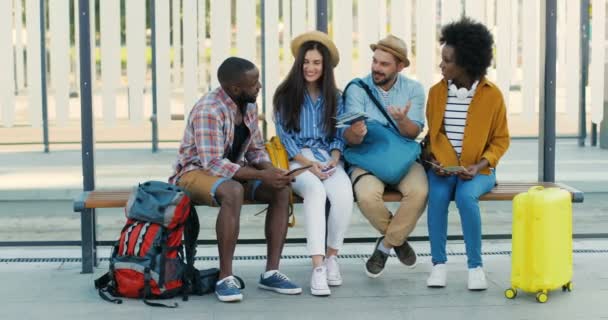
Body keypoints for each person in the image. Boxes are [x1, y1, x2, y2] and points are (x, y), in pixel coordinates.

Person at [169, 57, 302, 302]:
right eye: (254, 84)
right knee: (233, 191)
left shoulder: (249, 105)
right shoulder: (208, 110)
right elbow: (213, 163)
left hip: (232, 171)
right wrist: (261, 175)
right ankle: (225, 277)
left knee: (281, 190)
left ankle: (272, 273)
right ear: (234, 89)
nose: (259, 86)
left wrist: (273, 172)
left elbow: (256, 150)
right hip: (193, 173)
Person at [425, 17, 510, 290]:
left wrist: (479, 165)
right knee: (437, 196)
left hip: (480, 170)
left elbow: (501, 140)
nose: (442, 65)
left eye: (447, 60)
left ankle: (475, 266)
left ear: (466, 63)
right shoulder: (436, 93)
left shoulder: (492, 96)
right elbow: (433, 136)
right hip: (445, 168)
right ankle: (438, 264)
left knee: (465, 197)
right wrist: (435, 160)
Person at [273, 31, 353, 296]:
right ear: (299, 63)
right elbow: (285, 138)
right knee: (315, 192)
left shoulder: (336, 96)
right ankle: (317, 267)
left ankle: (332, 257)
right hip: (298, 160)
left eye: (316, 62)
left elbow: (340, 135)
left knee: (343, 194)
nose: (310, 67)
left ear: (325, 66)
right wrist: (309, 165)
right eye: (306, 62)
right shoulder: (285, 95)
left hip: (327, 157)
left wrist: (334, 159)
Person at [343, 35, 428, 278]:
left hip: (402, 155)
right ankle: (398, 241)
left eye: (384, 64)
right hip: (367, 156)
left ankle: (385, 246)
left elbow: (413, 134)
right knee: (367, 196)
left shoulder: (414, 90)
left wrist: (402, 120)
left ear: (400, 66)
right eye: (375, 61)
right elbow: (349, 138)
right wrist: (356, 133)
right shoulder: (357, 88)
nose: (376, 68)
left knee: (420, 192)